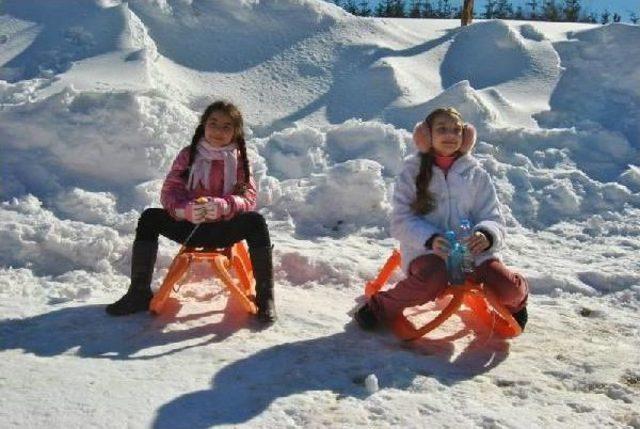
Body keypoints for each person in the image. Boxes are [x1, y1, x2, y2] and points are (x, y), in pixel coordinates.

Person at [355, 107, 528, 331]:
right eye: (442, 129)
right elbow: (400, 220)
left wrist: (485, 234)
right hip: (427, 252)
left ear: (465, 137)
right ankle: (378, 307)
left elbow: (492, 215)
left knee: (509, 289)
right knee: (431, 279)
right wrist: (431, 239)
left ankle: (519, 303)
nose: (450, 135)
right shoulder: (412, 173)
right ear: (427, 136)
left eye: (456, 131)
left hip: (471, 254)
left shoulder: (476, 174)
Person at [106, 100, 276, 323]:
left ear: (236, 132)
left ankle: (265, 297)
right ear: (203, 125)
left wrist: (224, 206)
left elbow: (248, 197)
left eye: (226, 126)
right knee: (150, 217)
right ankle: (139, 292)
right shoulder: (188, 155)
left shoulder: (241, 160)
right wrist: (184, 210)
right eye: (213, 123)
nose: (218, 131)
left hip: (224, 228)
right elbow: (170, 192)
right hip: (190, 227)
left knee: (255, 221)